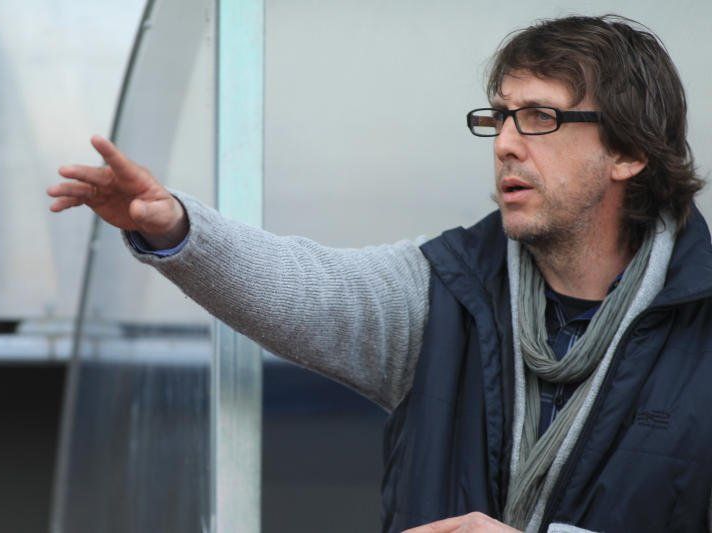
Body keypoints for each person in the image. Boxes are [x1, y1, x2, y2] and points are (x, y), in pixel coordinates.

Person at [47, 15, 712, 533]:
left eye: (540, 117)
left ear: (628, 152)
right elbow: (308, 291)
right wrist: (176, 226)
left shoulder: (701, 327)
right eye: (499, 117)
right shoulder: (449, 287)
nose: (506, 143)